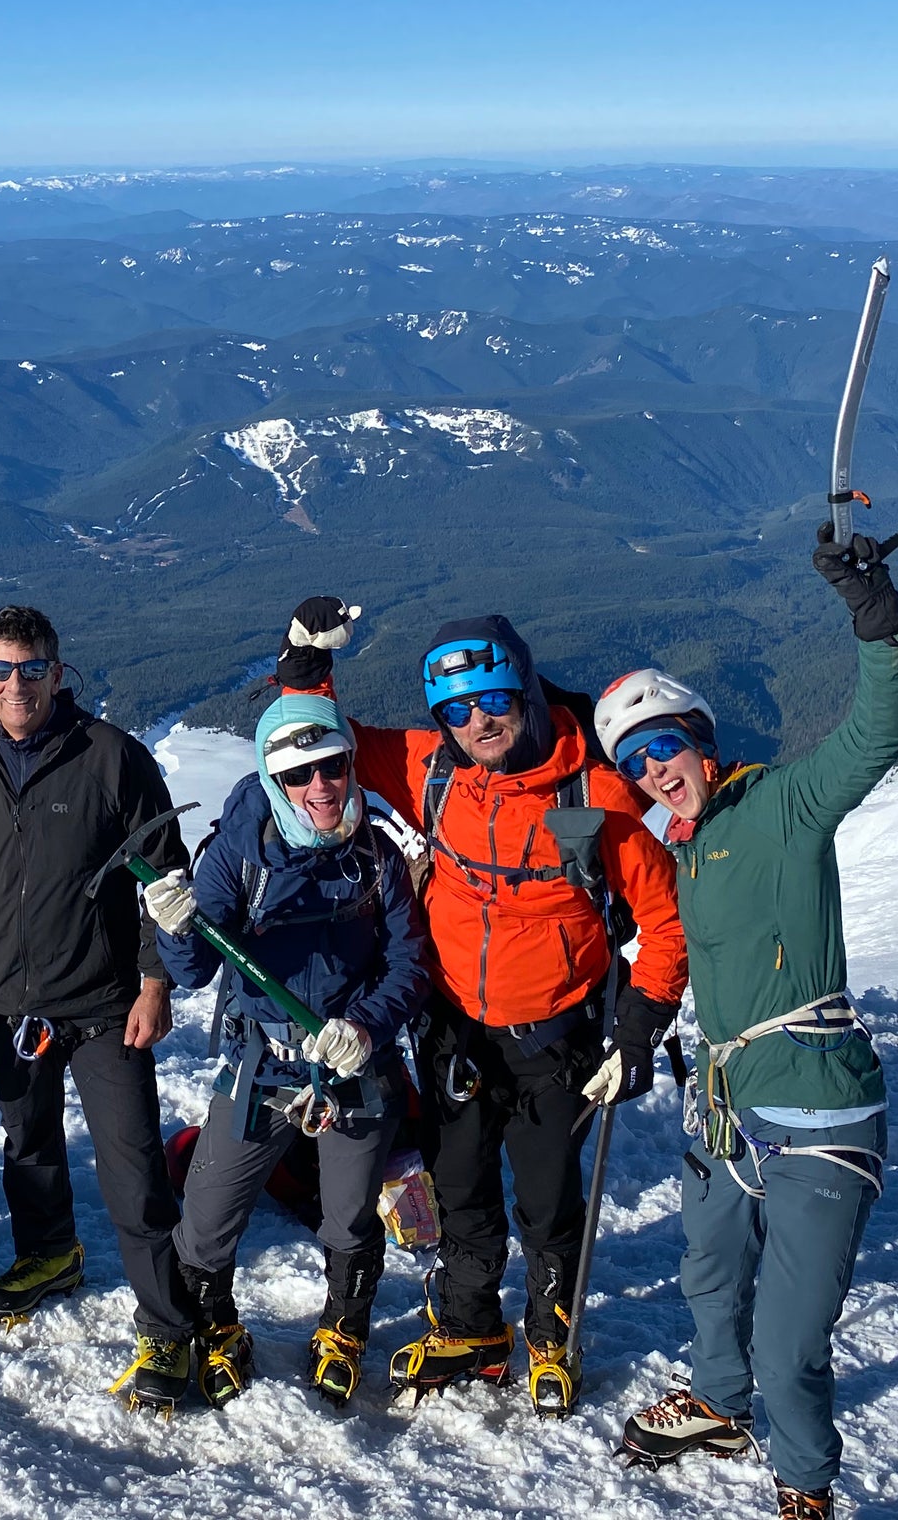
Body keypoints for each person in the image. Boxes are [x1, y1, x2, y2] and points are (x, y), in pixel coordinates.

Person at [274, 597, 686, 1413]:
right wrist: (302, 663)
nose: (477, 722)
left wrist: (637, 1031)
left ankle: (549, 1328)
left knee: (545, 1192)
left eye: (493, 700)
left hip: (555, 1033)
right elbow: (318, 741)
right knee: (458, 1184)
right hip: (457, 1025)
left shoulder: (595, 792)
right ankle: (471, 1324)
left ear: (526, 691)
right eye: (457, 710)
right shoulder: (432, 767)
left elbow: (668, 924)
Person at [603, 528, 898, 1520]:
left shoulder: (784, 806)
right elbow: (684, 954)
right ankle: (718, 1402)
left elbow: (875, 733)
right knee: (706, 1270)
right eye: (636, 761)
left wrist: (879, 619)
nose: (656, 769)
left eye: (666, 745)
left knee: (791, 1343)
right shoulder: (685, 851)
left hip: (819, 1111)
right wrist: (638, 1028)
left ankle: (805, 1483)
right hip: (722, 1111)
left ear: (701, 738)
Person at [0, 604, 198, 1410]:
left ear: (58, 673)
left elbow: (166, 878)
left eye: (31, 669)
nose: (15, 686)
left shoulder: (112, 759)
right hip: (10, 1001)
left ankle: (167, 1326)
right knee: (28, 1146)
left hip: (102, 1004)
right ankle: (50, 1252)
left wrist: (156, 982)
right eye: (0, 670)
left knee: (132, 1169)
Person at [148, 693, 426, 1410]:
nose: (321, 788)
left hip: (352, 1068)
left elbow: (409, 964)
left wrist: (365, 1026)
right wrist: (177, 928)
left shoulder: (376, 857)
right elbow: (192, 970)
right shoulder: (243, 851)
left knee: (351, 1215)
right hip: (262, 1063)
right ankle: (216, 1326)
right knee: (207, 1215)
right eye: (300, 776)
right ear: (275, 782)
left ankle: (343, 1330)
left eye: (333, 766)